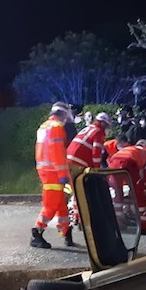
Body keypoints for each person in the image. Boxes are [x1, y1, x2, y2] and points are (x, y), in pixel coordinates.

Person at [31, 102, 73, 249]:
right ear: (63, 115)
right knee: (51, 205)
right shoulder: (57, 128)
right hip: (53, 172)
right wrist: (63, 173)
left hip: (45, 169)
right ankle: (37, 232)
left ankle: (66, 231)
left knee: (61, 203)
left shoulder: (44, 126)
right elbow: (57, 152)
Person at [107, 139, 146, 233]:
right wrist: (144, 185)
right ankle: (143, 224)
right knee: (138, 194)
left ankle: (118, 222)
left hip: (114, 163)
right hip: (129, 163)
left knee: (118, 194)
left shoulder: (129, 149)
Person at [66, 112, 111, 183]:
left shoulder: (88, 128)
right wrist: (96, 170)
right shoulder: (98, 132)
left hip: (68, 159)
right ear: (103, 123)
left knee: (72, 186)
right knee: (80, 188)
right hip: (78, 163)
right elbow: (96, 153)